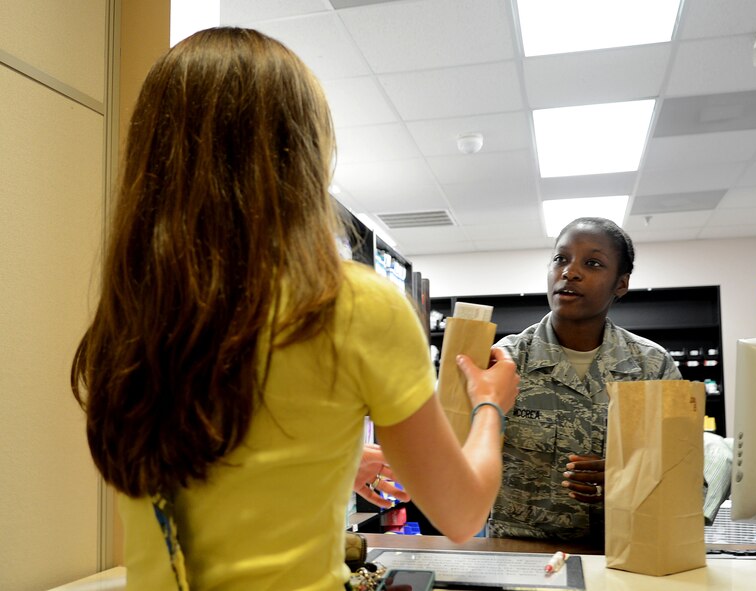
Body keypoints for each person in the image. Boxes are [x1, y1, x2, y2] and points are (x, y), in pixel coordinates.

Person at [70, 27, 518, 591]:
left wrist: (327, 459)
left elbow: (215, 466)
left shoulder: (132, 311)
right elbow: (462, 512)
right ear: (299, 156)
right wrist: (489, 406)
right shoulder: (354, 303)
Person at [487, 217, 681, 544]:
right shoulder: (504, 361)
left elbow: (684, 466)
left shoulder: (652, 365)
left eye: (592, 263)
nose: (569, 272)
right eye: (561, 259)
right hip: (521, 553)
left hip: (625, 551)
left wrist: (632, 478)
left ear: (621, 284)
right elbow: (459, 456)